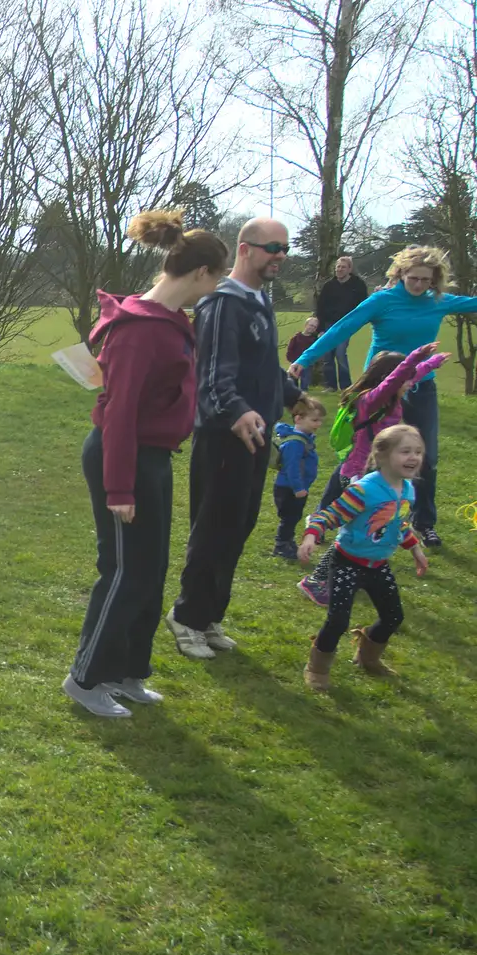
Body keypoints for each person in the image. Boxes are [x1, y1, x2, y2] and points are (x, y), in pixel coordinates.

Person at [63, 211, 228, 719]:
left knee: (151, 571)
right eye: (218, 277)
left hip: (154, 458)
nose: (217, 287)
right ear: (201, 274)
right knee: (124, 572)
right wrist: (119, 489)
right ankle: (86, 679)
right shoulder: (140, 330)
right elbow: (119, 413)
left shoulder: (174, 323)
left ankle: (126, 671)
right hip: (125, 459)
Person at [164, 218, 300, 660]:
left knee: (239, 527)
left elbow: (257, 367)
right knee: (214, 528)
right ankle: (186, 617)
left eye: (285, 247)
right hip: (224, 436)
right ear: (245, 250)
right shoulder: (223, 304)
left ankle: (209, 616)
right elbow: (215, 374)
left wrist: (293, 396)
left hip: (255, 436)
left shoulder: (259, 301)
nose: (280, 254)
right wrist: (238, 411)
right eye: (272, 247)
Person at [290, 246, 476, 547]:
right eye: (412, 278)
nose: (417, 285)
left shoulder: (438, 302)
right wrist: (307, 357)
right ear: (400, 274)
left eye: (424, 280)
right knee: (362, 454)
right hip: (379, 389)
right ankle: (322, 517)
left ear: (434, 280)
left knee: (425, 457)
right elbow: (342, 328)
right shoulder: (382, 300)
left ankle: (424, 522)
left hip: (420, 387)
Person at [296, 344, 447, 605]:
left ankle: (351, 575)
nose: (410, 384)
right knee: (354, 532)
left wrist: (431, 364)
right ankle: (316, 580)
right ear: (390, 378)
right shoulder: (372, 399)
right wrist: (414, 357)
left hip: (376, 472)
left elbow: (408, 377)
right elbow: (397, 378)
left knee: (366, 527)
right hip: (359, 473)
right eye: (405, 379)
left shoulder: (391, 398)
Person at [299, 424, 429, 690]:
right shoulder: (365, 490)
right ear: (382, 456)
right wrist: (312, 535)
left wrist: (415, 548)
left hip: (378, 565)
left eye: (418, 452)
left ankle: (368, 656)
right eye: (405, 451)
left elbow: (398, 523)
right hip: (347, 560)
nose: (414, 458)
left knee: (393, 617)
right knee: (338, 620)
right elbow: (331, 514)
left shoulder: (408, 490)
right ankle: (317, 668)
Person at [270, 396, 325, 560]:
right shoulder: (295, 443)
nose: (318, 424)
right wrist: (298, 488)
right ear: (298, 418)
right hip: (289, 488)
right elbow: (292, 468)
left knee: (293, 517)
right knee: (289, 518)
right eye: (314, 420)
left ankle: (287, 541)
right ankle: (281, 545)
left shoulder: (304, 439)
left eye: (320, 420)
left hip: (295, 487)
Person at [313, 255, 370, 390]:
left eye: (343, 267)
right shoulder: (329, 286)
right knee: (328, 355)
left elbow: (363, 306)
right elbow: (320, 307)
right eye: (338, 267)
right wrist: (320, 329)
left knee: (340, 353)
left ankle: (346, 386)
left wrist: (356, 322)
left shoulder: (358, 285)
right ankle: (330, 385)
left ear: (349, 269)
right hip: (328, 324)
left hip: (346, 324)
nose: (339, 269)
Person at [286, 316, 319, 391]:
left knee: (305, 380)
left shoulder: (314, 340)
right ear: (306, 325)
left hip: (307, 364)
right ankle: (294, 393)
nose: (312, 328)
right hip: (295, 362)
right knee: (293, 380)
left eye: (314, 327)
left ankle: (304, 393)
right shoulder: (296, 337)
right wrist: (291, 359)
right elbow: (290, 349)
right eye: (311, 325)